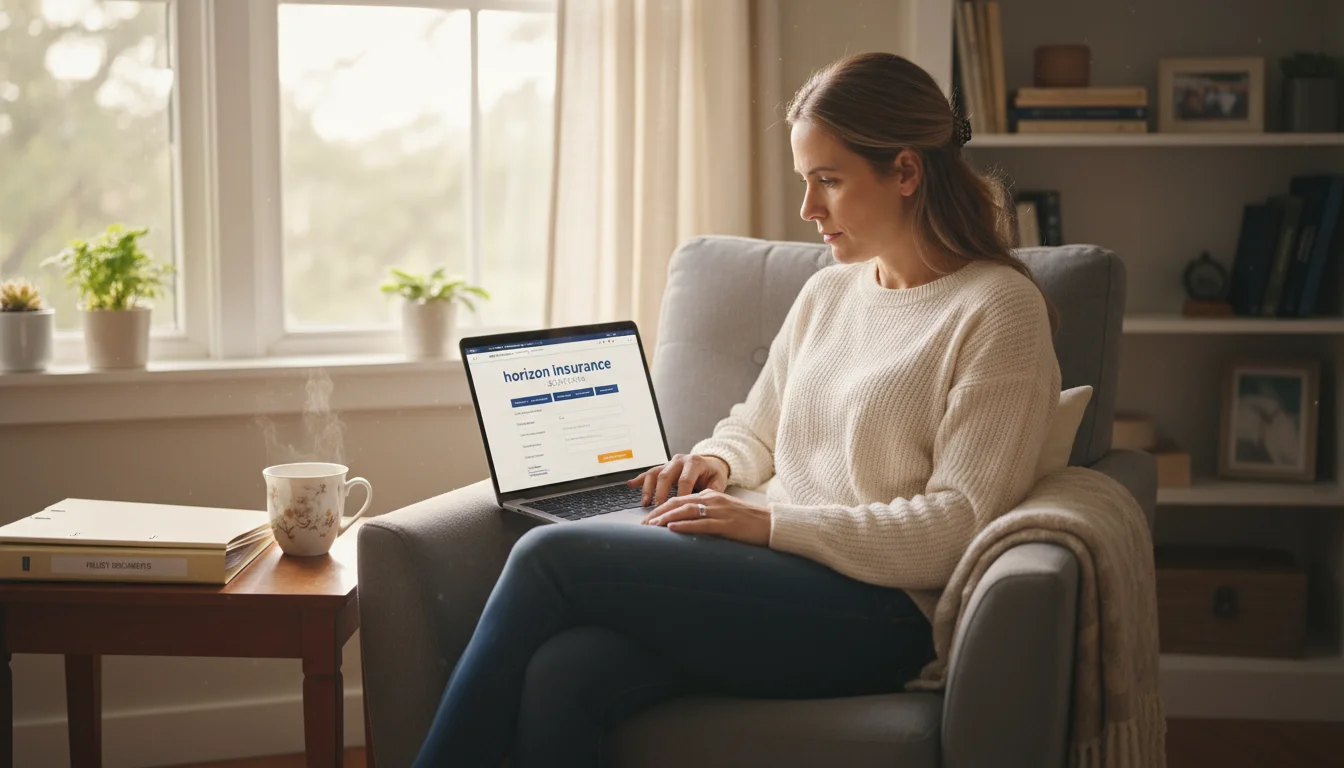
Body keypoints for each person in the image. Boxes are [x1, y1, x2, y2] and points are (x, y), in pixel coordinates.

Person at [411, 51, 1062, 768]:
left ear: (906, 172)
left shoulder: (999, 310)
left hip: (881, 610)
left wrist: (771, 523)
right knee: (565, 673)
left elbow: (958, 525)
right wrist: (718, 461)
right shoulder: (830, 293)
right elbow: (757, 427)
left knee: (550, 556)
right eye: (804, 182)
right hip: (774, 581)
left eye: (829, 181)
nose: (809, 210)